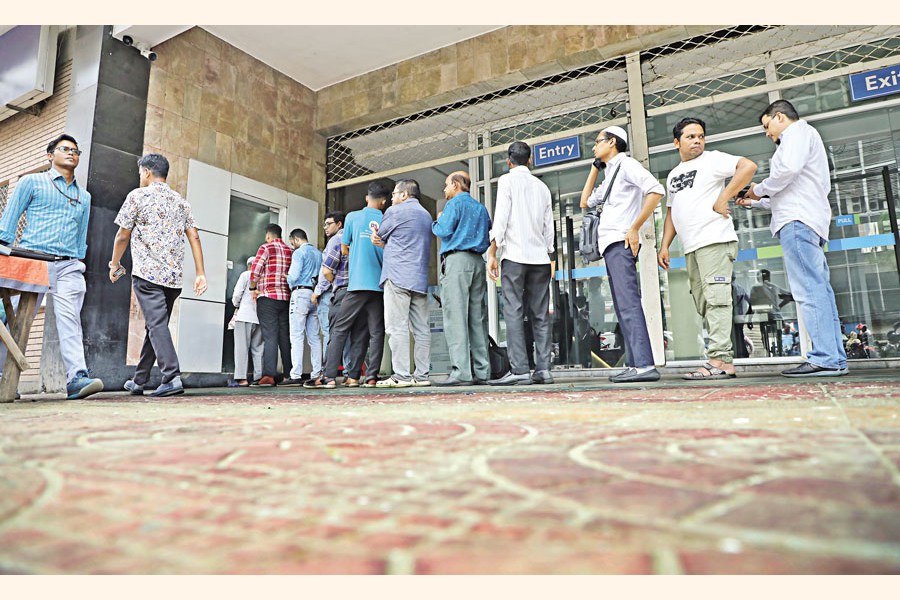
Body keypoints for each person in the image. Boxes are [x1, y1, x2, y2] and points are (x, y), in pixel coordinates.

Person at [738, 99, 848, 377]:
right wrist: (754, 201)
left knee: (808, 290)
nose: (767, 133)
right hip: (806, 218)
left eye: (766, 126)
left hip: (797, 222)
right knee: (820, 290)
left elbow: (786, 173)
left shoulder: (796, 133)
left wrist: (758, 189)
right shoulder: (806, 138)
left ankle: (823, 358)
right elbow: (790, 190)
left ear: (779, 117)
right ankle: (834, 357)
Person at [0, 134, 103, 399]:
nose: (71, 153)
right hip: (32, 261)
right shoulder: (31, 182)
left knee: (70, 320)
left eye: (75, 151)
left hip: (68, 265)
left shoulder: (85, 196)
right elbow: (9, 222)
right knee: (12, 319)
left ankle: (76, 378)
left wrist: (78, 259)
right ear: (50, 155)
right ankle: (3, 378)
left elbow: (81, 236)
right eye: (64, 149)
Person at [657, 117, 757, 380]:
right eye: (690, 136)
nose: (697, 140)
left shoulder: (712, 159)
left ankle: (720, 361)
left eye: (700, 136)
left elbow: (748, 166)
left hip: (714, 240)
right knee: (704, 302)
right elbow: (671, 212)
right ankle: (720, 358)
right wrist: (665, 245)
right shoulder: (674, 175)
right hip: (692, 246)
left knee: (717, 300)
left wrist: (722, 198)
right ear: (676, 142)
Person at [110, 153, 207, 396]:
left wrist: (114, 263)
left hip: (147, 276)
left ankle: (171, 376)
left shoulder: (137, 196)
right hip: (173, 279)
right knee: (156, 326)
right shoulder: (181, 201)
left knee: (156, 325)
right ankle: (139, 380)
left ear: (146, 172)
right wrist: (200, 273)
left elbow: (123, 234)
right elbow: (194, 236)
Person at [579, 125, 665, 383]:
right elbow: (585, 201)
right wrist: (595, 167)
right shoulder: (611, 173)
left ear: (613, 142)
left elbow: (656, 190)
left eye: (598, 142)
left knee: (628, 304)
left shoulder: (627, 165)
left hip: (621, 242)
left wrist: (635, 227)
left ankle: (644, 365)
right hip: (610, 245)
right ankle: (636, 364)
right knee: (621, 305)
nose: (594, 147)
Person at [486, 141, 555, 386]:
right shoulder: (542, 187)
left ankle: (520, 370)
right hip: (540, 259)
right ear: (530, 161)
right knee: (540, 314)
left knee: (514, 312)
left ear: (508, 161)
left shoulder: (506, 181)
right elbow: (550, 226)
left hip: (515, 257)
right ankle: (544, 369)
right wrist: (548, 252)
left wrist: (493, 253)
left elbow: (501, 219)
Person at [320, 181, 390, 389]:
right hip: (378, 287)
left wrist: (360, 255)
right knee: (375, 332)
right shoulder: (386, 219)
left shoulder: (352, 217)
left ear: (367, 198)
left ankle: (330, 377)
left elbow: (344, 249)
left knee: (340, 329)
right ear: (384, 202)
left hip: (357, 283)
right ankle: (369, 377)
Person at [371, 179, 433, 387]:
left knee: (397, 327)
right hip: (419, 278)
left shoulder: (394, 212)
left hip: (397, 276)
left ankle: (402, 376)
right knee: (421, 329)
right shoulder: (426, 215)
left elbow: (379, 235)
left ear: (404, 194)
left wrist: (377, 237)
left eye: (395, 195)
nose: (392, 199)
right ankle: (422, 376)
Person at [432, 171, 492, 386]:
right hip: (477, 262)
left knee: (455, 318)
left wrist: (438, 219)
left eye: (447, 185)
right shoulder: (480, 207)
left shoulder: (453, 204)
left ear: (456, 185)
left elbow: (444, 230)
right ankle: (482, 371)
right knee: (478, 319)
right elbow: (488, 231)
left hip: (457, 261)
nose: (445, 190)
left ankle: (461, 373)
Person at [306, 212, 352, 388]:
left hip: (330, 292)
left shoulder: (335, 241)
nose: (325, 227)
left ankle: (327, 373)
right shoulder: (351, 240)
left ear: (339, 224)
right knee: (345, 333)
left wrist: (318, 291)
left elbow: (326, 271)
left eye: (328, 224)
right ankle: (348, 373)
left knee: (329, 333)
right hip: (350, 292)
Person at [249, 223, 293, 386]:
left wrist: (253, 288)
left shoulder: (266, 247)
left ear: (268, 235)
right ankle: (289, 374)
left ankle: (269, 375)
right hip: (286, 299)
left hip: (268, 297)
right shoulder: (290, 250)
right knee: (285, 337)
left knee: (270, 336)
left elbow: (255, 270)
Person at [283, 228, 322, 386]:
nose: (292, 246)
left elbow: (293, 276)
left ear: (296, 239)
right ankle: (317, 373)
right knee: (314, 337)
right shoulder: (319, 254)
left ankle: (296, 375)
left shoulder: (299, 253)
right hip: (314, 296)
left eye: (292, 242)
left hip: (300, 294)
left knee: (297, 336)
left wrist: (287, 279)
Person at [230, 256, 264, 387]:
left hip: (244, 316)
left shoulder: (246, 275)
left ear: (249, 266)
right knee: (258, 348)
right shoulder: (263, 277)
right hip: (259, 318)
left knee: (241, 348)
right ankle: (258, 377)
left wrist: (236, 305)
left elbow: (237, 294)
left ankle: (241, 378)